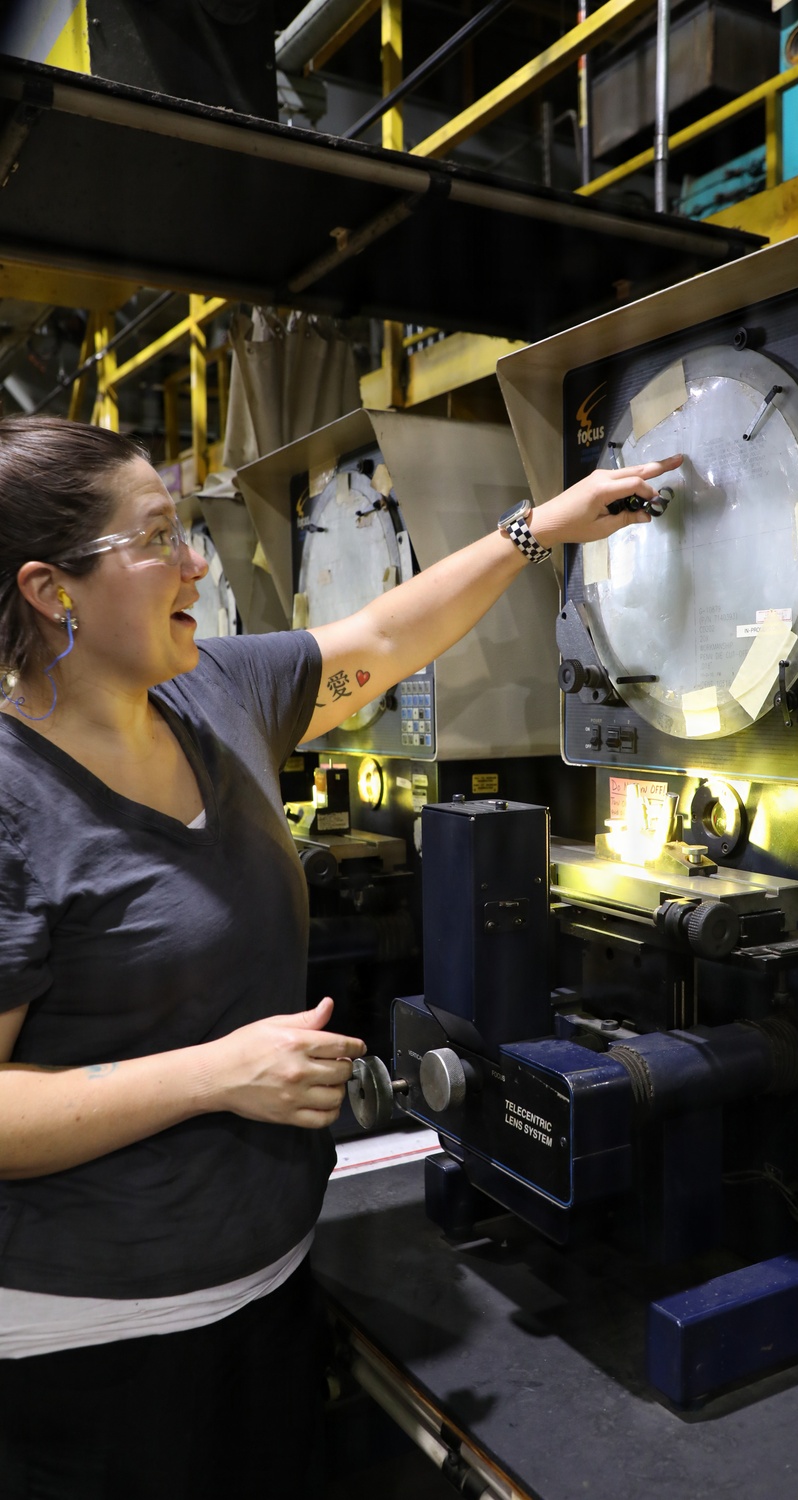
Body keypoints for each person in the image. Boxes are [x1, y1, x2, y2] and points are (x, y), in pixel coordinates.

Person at [0, 413, 678, 1499]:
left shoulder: (210, 692)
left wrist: (540, 528)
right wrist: (214, 1074)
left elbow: (379, 640)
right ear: (52, 591)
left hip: (266, 1285)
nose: (195, 564)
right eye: (160, 539)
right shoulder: (11, 799)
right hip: (97, 1348)